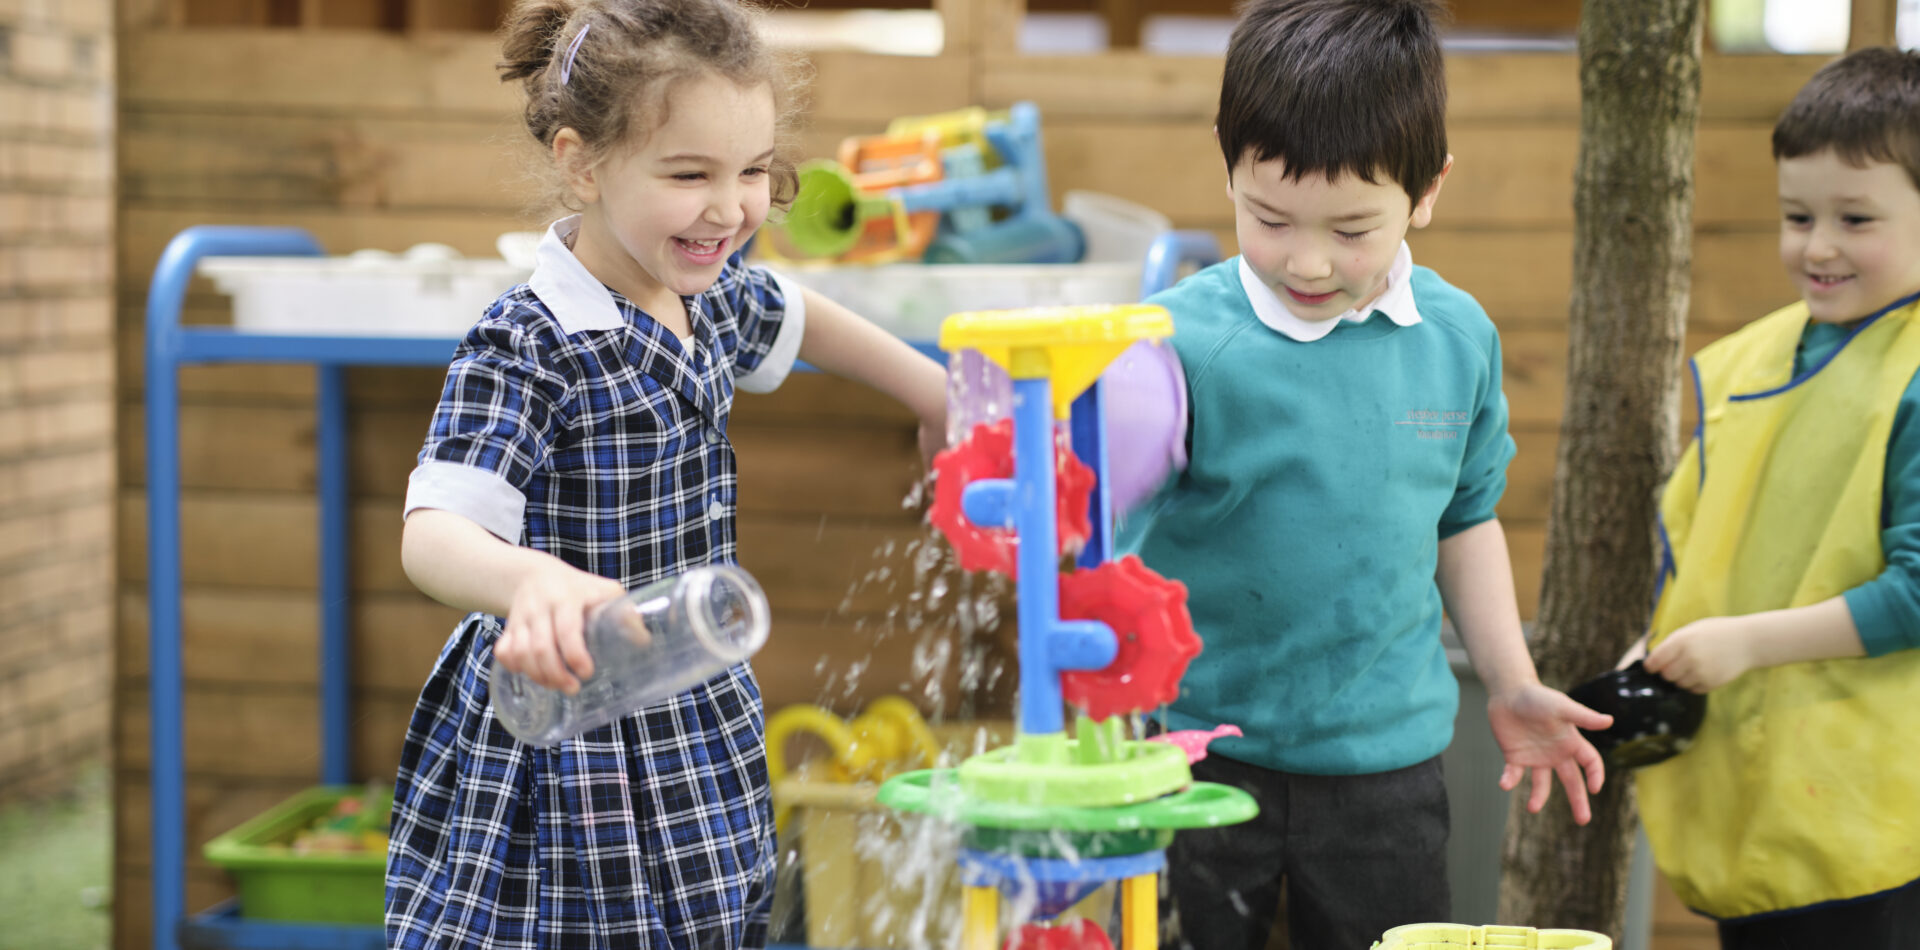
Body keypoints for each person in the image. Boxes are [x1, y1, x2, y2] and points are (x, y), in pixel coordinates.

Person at [383, 2, 947, 947]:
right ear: (582, 162)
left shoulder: (708, 291)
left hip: (689, 712)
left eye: (755, 172)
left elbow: (796, 314)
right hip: (562, 733)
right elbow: (432, 530)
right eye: (690, 174)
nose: (731, 209)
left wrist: (934, 391)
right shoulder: (530, 344)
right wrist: (535, 583)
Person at [1113, 1, 1612, 947]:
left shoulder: (1459, 340)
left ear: (1428, 189)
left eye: (1351, 230)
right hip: (1195, 762)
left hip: (1387, 770)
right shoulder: (1175, 341)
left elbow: (1466, 520)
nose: (1306, 261)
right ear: (1227, 158)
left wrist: (1510, 681)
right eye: (1269, 218)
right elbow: (1109, 527)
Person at [1630, 47, 1920, 949]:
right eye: (1798, 215)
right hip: (1766, 797)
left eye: (1856, 218)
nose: (1818, 245)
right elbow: (1716, 541)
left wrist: (1745, 644)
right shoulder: (1759, 357)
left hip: (1879, 824)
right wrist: (1659, 651)